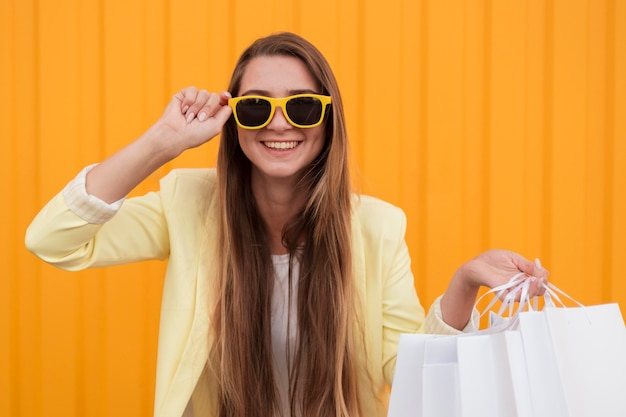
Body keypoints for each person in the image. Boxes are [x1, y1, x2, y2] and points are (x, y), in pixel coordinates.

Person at [25, 32, 548, 417]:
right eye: (255, 108)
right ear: (234, 122)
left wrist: (464, 283)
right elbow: (52, 240)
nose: (279, 122)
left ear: (328, 119)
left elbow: (411, 372)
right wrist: (163, 142)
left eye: (301, 106)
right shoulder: (188, 205)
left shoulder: (376, 229)